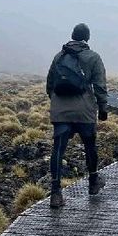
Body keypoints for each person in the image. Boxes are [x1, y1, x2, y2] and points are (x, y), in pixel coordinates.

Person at [46, 23, 108, 209]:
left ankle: (56, 194)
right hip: (84, 112)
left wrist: (58, 104)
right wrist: (103, 108)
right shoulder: (93, 57)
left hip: (60, 112)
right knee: (90, 146)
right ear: (87, 38)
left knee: (58, 150)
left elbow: (50, 85)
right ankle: (93, 182)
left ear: (72, 36)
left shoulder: (59, 56)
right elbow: (99, 86)